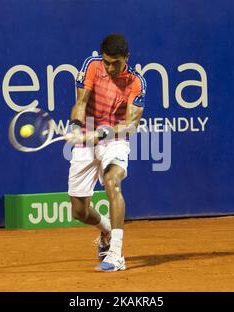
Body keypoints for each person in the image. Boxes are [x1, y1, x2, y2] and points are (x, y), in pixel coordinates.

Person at [65, 34, 146, 272]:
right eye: (107, 62)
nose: (110, 68)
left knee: (112, 182)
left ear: (126, 58)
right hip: (86, 139)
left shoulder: (136, 82)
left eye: (116, 63)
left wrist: (101, 134)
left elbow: (131, 124)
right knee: (79, 211)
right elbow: (81, 103)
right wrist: (77, 127)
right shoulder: (92, 66)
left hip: (115, 140)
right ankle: (107, 230)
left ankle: (116, 254)